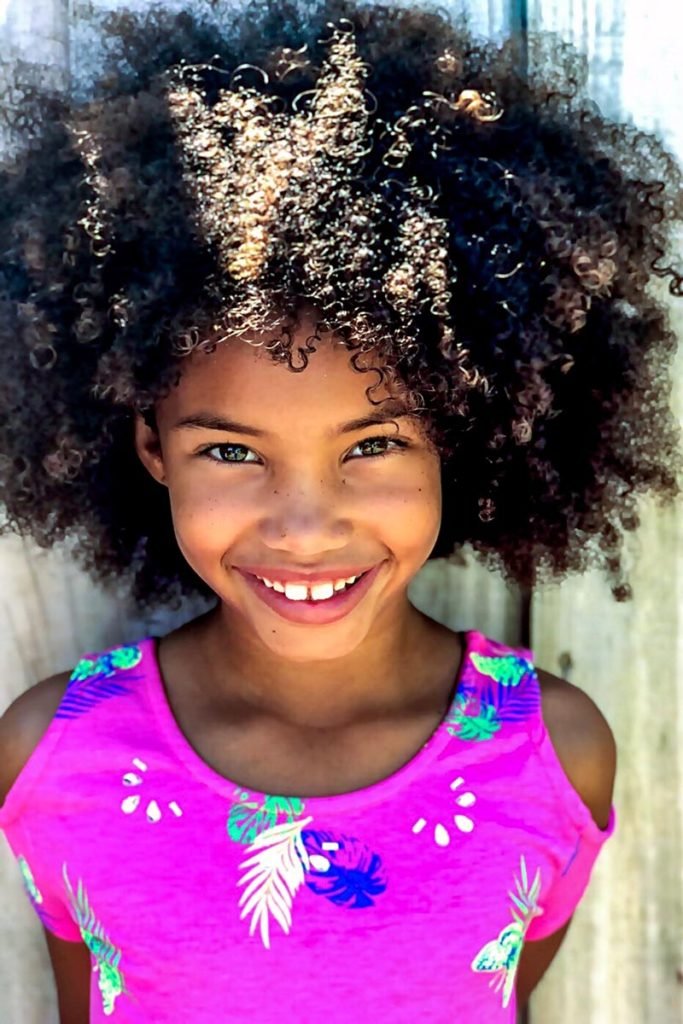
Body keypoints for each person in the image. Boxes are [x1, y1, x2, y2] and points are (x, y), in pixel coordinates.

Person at [0, 1, 681, 1020]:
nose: (304, 526)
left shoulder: (550, 753)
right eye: (230, 450)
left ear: (456, 430)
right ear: (148, 445)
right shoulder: (54, 754)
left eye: (372, 445)